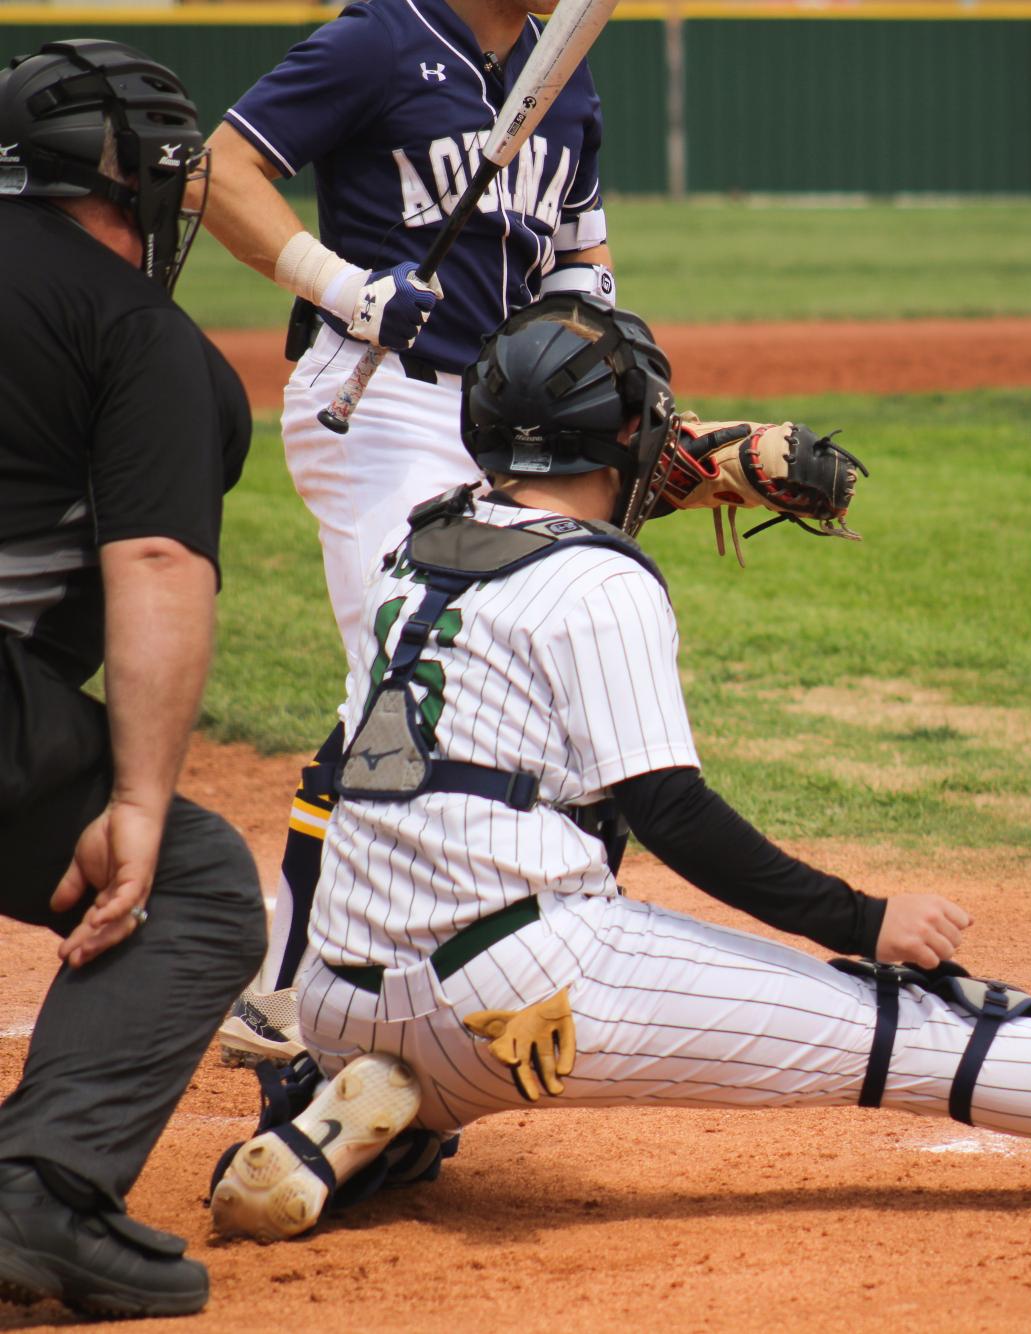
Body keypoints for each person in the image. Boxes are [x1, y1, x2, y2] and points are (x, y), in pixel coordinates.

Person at [207, 297, 1031, 1243]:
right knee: (908, 1025)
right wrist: (866, 916)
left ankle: (363, 1118)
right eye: (656, 426)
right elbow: (670, 810)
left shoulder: (411, 557)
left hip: (335, 990)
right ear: (628, 440)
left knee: (457, 925)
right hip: (524, 991)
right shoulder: (597, 582)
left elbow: (351, 774)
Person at [200, 0, 618, 1064]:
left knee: (524, 685)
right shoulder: (379, 37)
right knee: (403, 680)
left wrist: (593, 367)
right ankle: (288, 989)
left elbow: (577, 255)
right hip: (378, 398)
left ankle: (480, 946)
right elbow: (219, 170)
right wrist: (342, 286)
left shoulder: (563, 66)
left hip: (505, 419)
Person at [0, 39, 266, 1318]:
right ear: (140, 185)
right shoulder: (136, 330)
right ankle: (37, 1195)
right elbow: (157, 557)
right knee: (201, 884)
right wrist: (143, 806)